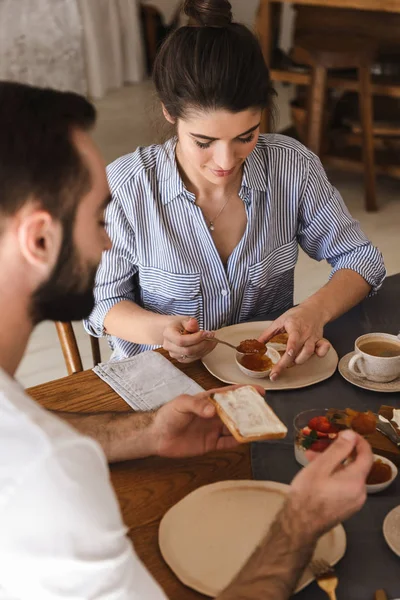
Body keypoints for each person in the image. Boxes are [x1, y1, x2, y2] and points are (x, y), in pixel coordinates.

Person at [0, 80, 373, 599]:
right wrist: (299, 522)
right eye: (97, 216)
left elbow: (23, 432)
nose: (109, 240)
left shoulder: (23, 427)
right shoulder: (49, 483)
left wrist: (146, 432)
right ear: (39, 238)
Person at [84, 0, 386, 381]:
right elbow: (102, 304)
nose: (225, 161)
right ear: (169, 112)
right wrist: (160, 332)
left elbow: (361, 258)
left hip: (268, 379)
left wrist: (313, 312)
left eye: (246, 136)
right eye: (203, 141)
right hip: (164, 379)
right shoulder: (127, 188)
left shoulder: (291, 167)